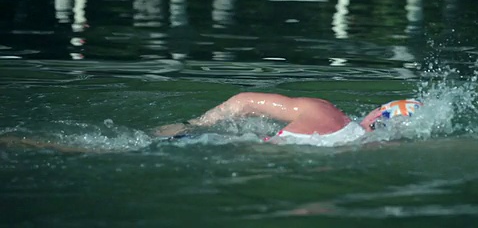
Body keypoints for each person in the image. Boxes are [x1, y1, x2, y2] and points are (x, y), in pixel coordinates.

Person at [154, 92, 422, 146]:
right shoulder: (363, 150)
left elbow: (243, 101)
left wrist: (199, 123)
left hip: (196, 142)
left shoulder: (324, 111)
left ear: (378, 113)